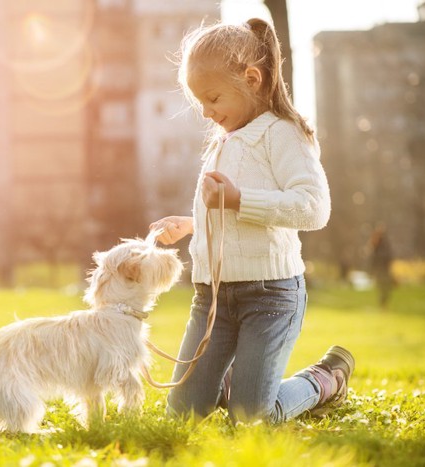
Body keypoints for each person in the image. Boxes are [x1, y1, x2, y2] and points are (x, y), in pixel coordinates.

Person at [149, 18, 354, 424]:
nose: (207, 113)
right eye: (199, 103)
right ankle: (232, 381)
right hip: (212, 299)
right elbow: (229, 215)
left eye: (213, 98)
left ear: (253, 78)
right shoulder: (226, 141)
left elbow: (313, 207)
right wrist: (192, 223)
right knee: (182, 414)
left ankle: (323, 379)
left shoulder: (283, 134)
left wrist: (239, 200)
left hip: (269, 297)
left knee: (251, 419)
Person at [369, 224, 394, 308]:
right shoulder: (375, 247)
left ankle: (383, 304)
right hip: (380, 272)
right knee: (382, 289)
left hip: (384, 271)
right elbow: (373, 260)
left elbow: (388, 257)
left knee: (385, 289)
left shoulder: (384, 246)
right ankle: (383, 305)